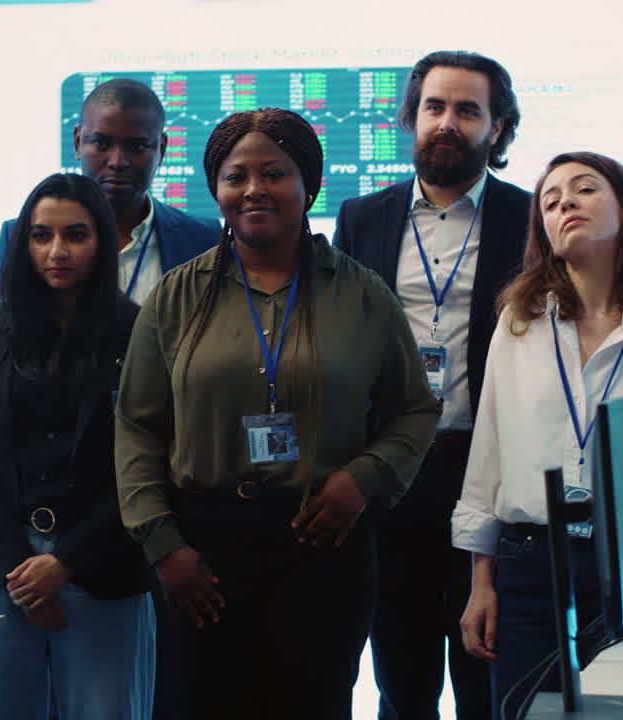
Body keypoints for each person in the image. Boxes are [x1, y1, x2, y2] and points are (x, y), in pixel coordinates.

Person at [115, 107, 440, 719]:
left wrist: (362, 480)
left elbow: (415, 410)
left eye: (275, 173)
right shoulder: (176, 296)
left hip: (323, 541)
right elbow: (136, 427)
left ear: (308, 184)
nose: (254, 189)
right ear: (216, 188)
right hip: (202, 552)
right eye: (236, 176)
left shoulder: (362, 293)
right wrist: (163, 545)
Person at [452, 152, 623, 720]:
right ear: (544, 232)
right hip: (529, 566)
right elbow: (488, 454)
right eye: (550, 201)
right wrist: (481, 581)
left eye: (585, 189)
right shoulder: (518, 325)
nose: (565, 202)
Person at [334, 50, 530, 720]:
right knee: (400, 677)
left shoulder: (530, 218)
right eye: (434, 107)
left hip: (488, 471)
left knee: (486, 673)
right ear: (412, 118)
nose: (447, 122)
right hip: (391, 475)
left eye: (467, 110)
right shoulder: (362, 217)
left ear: (497, 128)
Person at [0, 173, 155, 719]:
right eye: (41, 236)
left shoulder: (138, 331)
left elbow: (147, 465)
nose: (57, 252)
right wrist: (20, 570)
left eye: (75, 235)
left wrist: (63, 562)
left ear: (102, 242)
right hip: (2, 569)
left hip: (100, 566)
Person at [0, 78, 217, 308]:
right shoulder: (19, 237)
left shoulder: (204, 240)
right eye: (101, 144)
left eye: (137, 146)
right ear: (77, 142)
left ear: (162, 149)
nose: (117, 162)